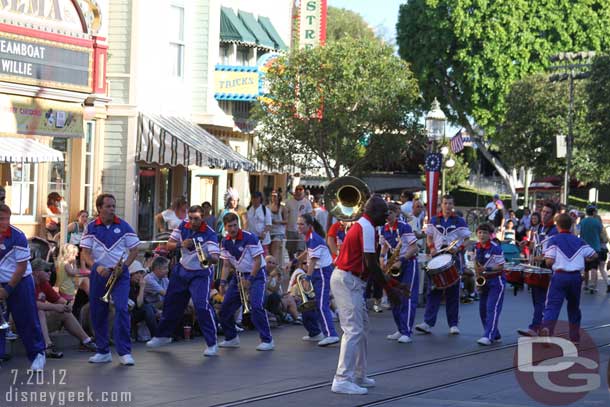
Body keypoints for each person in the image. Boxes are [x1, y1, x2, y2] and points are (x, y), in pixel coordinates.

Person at [331, 195, 403, 395]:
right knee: (353, 330)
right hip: (347, 280)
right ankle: (342, 379)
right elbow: (371, 264)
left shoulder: (364, 225)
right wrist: (390, 290)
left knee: (361, 329)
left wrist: (393, 284)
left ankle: (358, 375)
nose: (387, 216)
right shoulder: (368, 228)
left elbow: (370, 266)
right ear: (374, 212)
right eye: (384, 212)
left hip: (350, 280)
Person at [147, 205, 220, 357]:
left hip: (201, 273)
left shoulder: (210, 234)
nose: (193, 222)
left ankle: (212, 343)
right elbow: (168, 244)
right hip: (182, 270)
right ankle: (163, 336)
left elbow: (215, 257)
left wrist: (206, 257)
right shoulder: (183, 226)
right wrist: (181, 244)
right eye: (191, 218)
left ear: (203, 217)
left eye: (196, 219)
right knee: (171, 303)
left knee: (201, 307)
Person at [80, 193, 140, 365]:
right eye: (108, 206)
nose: (112, 209)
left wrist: (125, 266)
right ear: (99, 208)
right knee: (98, 311)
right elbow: (85, 252)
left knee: (121, 309)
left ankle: (124, 352)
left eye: (113, 206)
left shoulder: (124, 226)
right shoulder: (91, 227)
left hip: (119, 275)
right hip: (99, 274)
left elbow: (135, 250)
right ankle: (103, 350)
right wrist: (96, 266)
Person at [0, 204, 46, 371]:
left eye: (7, 219)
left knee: (26, 319)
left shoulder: (18, 236)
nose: (4, 222)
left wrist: (7, 290)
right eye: (1, 219)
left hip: (20, 283)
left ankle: (38, 354)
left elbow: (20, 267)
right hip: (1, 284)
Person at [218, 212, 274, 351]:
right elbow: (226, 264)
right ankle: (231, 337)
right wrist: (223, 282)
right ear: (225, 227)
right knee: (225, 308)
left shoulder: (250, 238)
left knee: (256, 306)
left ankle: (267, 340)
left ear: (239, 224)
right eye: (230, 226)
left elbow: (257, 261)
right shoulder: (225, 242)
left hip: (256, 275)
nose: (233, 228)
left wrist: (250, 280)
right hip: (239, 276)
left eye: (235, 225)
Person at [416, 195, 471, 335]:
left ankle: (453, 324)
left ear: (453, 205)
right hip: (437, 257)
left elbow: (467, 240)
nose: (447, 206)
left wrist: (458, 248)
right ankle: (428, 323)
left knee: (453, 291)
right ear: (441, 205)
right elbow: (429, 237)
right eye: (445, 203)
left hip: (453, 258)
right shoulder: (434, 220)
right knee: (433, 290)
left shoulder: (459, 221)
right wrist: (432, 248)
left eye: (450, 203)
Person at [541, 213, 597, 342]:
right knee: (573, 307)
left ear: (557, 226)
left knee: (552, 306)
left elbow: (549, 261)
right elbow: (593, 255)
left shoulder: (553, 240)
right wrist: (582, 260)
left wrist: (548, 261)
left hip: (560, 276)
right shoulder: (579, 241)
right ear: (571, 226)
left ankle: (548, 330)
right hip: (576, 278)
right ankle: (574, 336)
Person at [32, 258, 96, 358]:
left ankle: (86, 341)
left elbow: (58, 299)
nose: (50, 272)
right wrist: (55, 307)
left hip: (40, 323)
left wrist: (67, 304)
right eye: (46, 270)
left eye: (50, 270)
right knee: (40, 311)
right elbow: (32, 305)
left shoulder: (44, 284)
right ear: (36, 272)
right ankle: (47, 346)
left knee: (65, 312)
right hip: (24, 323)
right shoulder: (28, 284)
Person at [297, 214, 340, 346]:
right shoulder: (309, 237)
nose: (299, 226)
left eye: (301, 224)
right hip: (318, 271)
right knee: (312, 304)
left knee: (322, 304)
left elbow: (313, 261)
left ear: (309, 226)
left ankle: (331, 334)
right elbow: (307, 253)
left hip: (322, 272)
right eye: (298, 224)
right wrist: (295, 260)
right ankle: (315, 332)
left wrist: (307, 278)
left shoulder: (314, 239)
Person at [517, 200, 558, 337]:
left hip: (549, 269)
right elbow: (537, 245)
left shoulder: (555, 230)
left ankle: (535, 327)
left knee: (542, 300)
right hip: (537, 268)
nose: (544, 215)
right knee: (537, 299)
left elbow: (554, 250)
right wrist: (528, 243)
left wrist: (540, 258)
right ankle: (541, 327)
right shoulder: (539, 228)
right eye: (543, 212)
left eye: (548, 213)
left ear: (553, 215)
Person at [380, 203, 419, 344]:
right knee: (394, 297)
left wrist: (401, 260)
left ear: (396, 213)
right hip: (393, 264)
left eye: (389, 213)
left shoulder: (404, 227)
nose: (387, 216)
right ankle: (400, 328)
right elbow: (384, 247)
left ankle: (407, 331)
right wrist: (382, 260)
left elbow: (414, 247)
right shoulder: (383, 228)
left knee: (407, 297)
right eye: (385, 214)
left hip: (408, 263)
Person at [473, 223, 505, 346]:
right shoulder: (476, 246)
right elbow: (476, 264)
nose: (482, 235)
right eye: (480, 232)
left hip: (496, 281)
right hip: (484, 281)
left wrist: (487, 270)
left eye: (485, 233)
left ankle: (488, 336)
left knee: (492, 308)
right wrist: (478, 279)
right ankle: (495, 334)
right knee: (483, 310)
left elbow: (501, 266)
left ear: (490, 235)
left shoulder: (495, 248)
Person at [285, 185, 313, 261]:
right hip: (291, 229)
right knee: (290, 249)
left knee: (300, 249)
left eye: (300, 189)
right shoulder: (289, 202)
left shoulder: (307, 202)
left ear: (303, 191)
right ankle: (292, 262)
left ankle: (298, 265)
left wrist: (309, 228)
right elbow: (285, 216)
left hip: (302, 230)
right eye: (297, 189)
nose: (298, 191)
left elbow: (310, 215)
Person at [269, 190, 288, 267]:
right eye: (272, 196)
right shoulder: (267, 207)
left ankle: (274, 268)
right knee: (269, 252)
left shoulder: (283, 208)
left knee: (275, 252)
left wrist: (277, 222)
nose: (274, 198)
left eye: (275, 196)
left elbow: (286, 221)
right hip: (270, 232)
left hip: (279, 232)